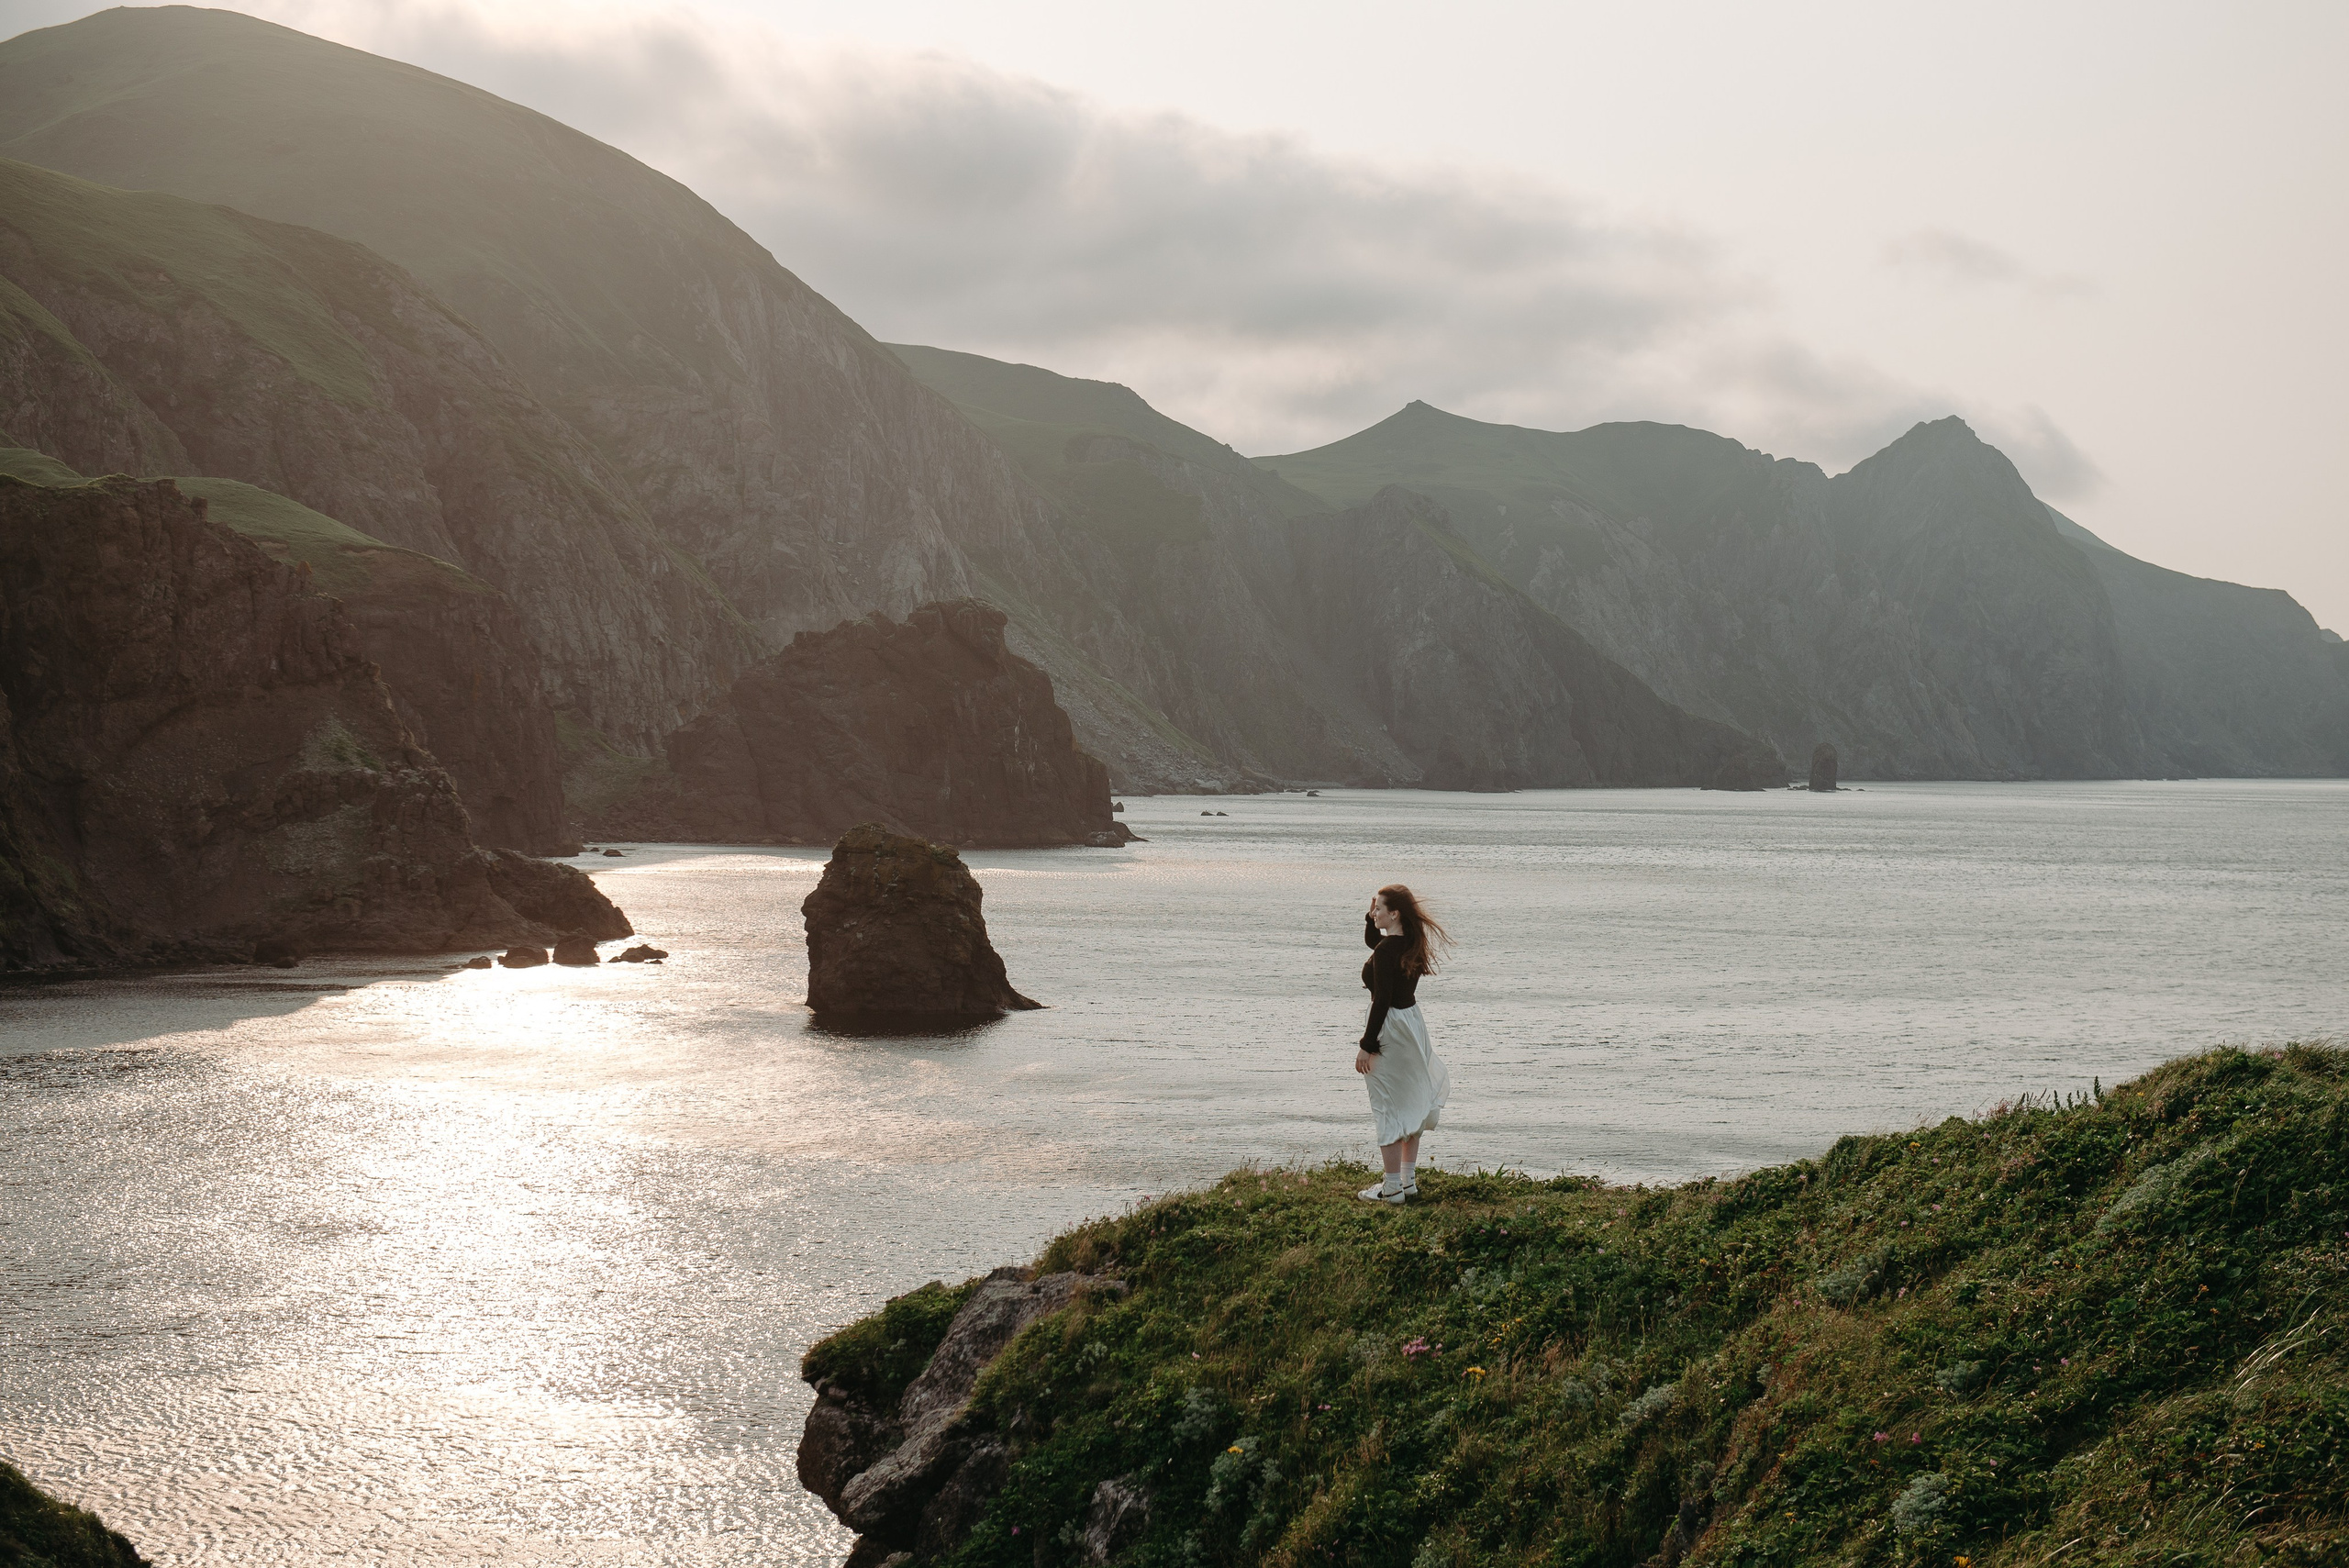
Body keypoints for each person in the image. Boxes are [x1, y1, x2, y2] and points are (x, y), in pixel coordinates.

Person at [1354, 884, 1453, 1203]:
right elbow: (1376, 944)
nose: (1375, 913)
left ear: (1394, 913)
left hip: (1391, 1029)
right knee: (1411, 1099)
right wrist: (1370, 919)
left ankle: (1392, 1187)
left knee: (1388, 1104)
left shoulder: (1387, 951)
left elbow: (1382, 1000)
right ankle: (1407, 1181)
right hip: (1411, 1024)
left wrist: (1367, 1044)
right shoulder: (1410, 942)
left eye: (1379, 909)